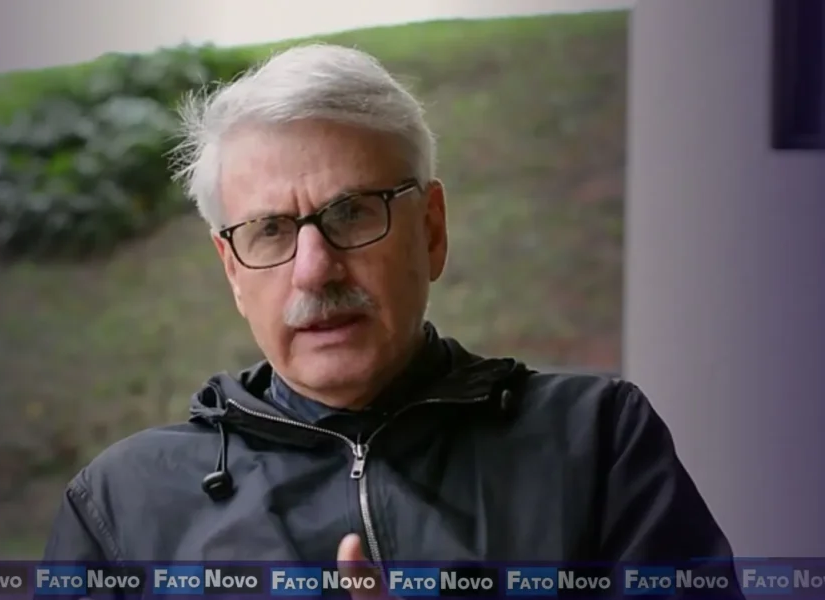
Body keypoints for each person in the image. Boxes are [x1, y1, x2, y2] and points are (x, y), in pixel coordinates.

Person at [42, 43, 736, 576]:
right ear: (232, 269)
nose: (315, 269)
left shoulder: (597, 444)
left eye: (352, 212)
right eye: (271, 231)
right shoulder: (119, 507)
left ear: (431, 230)